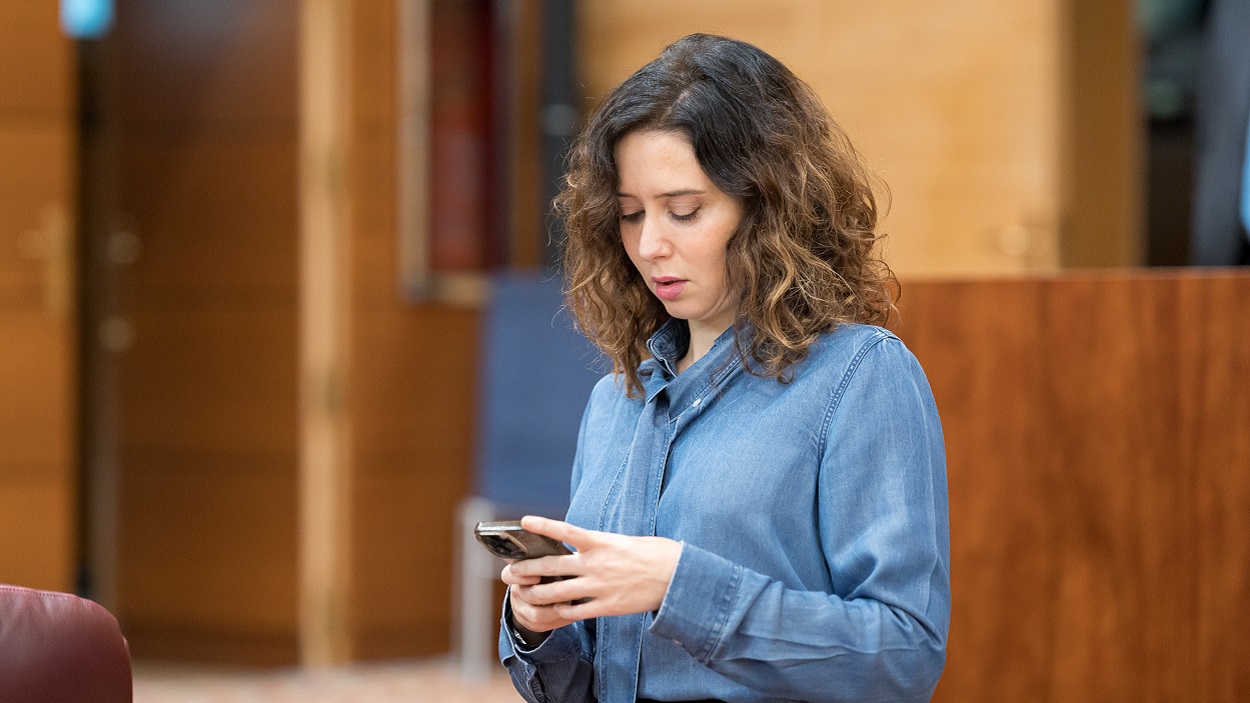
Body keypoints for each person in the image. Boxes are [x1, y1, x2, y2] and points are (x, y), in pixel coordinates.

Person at [497, 34, 950, 703]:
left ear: (768, 206)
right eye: (629, 215)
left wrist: (680, 587)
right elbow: (583, 682)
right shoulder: (615, 400)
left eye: (684, 210)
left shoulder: (860, 378)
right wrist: (536, 623)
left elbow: (903, 653)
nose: (650, 245)